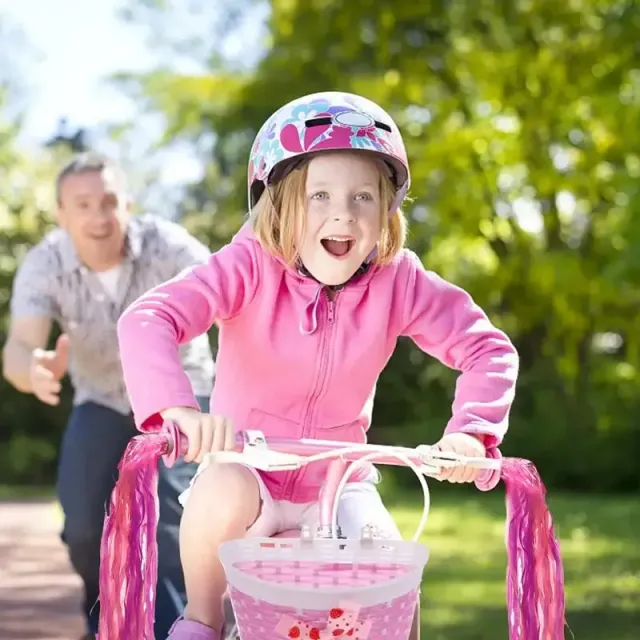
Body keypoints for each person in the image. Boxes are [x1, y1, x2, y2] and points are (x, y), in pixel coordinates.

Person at [115, 92, 520, 640]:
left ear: (387, 209)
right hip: (251, 476)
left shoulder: (399, 279)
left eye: (363, 197)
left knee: (393, 572)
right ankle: (202, 620)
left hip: (340, 483)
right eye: (319, 195)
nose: (343, 213)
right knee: (220, 488)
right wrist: (178, 411)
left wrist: (471, 435)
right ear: (280, 204)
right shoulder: (249, 265)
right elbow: (149, 318)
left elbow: (487, 349)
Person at [1, 153, 216, 640]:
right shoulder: (45, 264)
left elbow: (234, 294)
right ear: (61, 212)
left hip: (179, 397)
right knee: (81, 528)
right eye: (83, 205)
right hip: (100, 399)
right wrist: (30, 372)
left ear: (128, 205)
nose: (99, 217)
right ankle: (107, 622)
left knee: (167, 527)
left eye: (109, 202)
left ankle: (171, 629)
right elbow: (18, 346)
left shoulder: (167, 245)